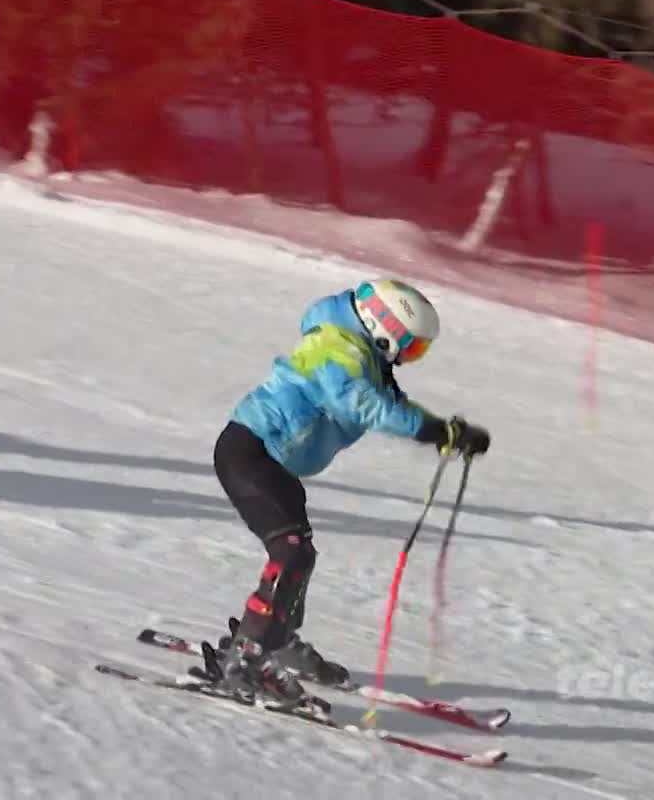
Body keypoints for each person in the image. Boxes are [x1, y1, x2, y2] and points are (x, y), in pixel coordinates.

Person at [207, 278, 491, 705]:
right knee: (291, 553)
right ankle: (249, 654)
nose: (411, 358)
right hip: (250, 452)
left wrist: (450, 433)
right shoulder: (336, 349)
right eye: (411, 347)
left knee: (299, 555)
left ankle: (276, 637)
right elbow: (365, 405)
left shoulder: (363, 356)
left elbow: (390, 402)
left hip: (275, 464)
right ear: (384, 328)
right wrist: (435, 431)